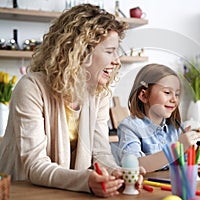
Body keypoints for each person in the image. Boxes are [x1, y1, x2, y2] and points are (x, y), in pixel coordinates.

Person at [0, 4, 144, 197]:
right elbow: (35, 165)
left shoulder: (98, 93)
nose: (117, 60)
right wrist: (86, 180)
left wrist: (117, 174)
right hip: (23, 193)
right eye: (110, 51)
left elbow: (100, 153)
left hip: (66, 192)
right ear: (81, 52)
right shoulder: (31, 88)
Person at [116, 63, 200, 178]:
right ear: (144, 95)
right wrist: (177, 148)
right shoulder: (129, 127)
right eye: (167, 92)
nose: (174, 100)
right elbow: (135, 165)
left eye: (177, 94)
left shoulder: (176, 128)